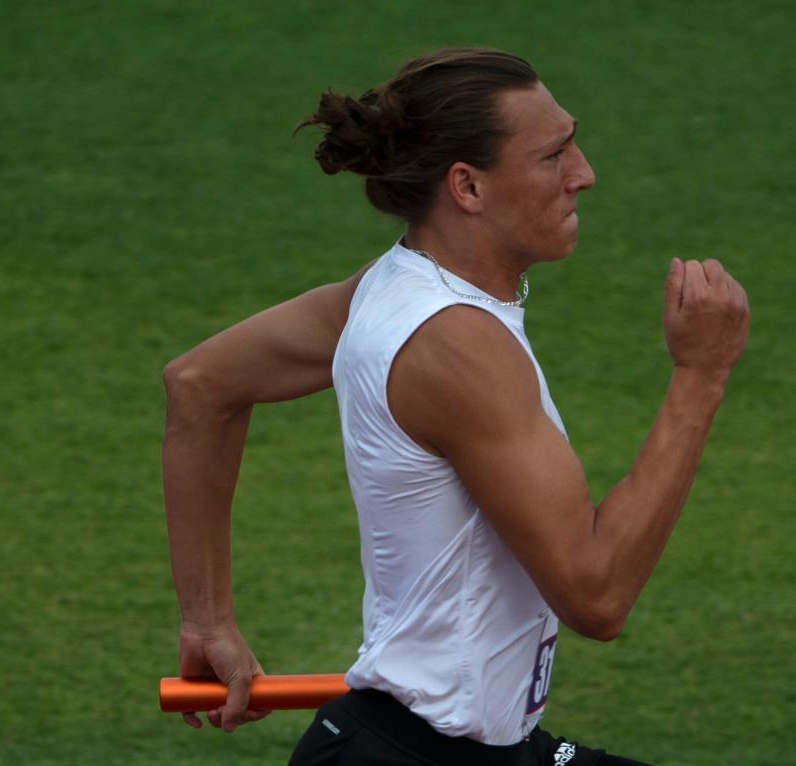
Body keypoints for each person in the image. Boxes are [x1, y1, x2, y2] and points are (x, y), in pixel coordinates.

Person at [161, 48, 750, 765]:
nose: (583, 174)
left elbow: (201, 384)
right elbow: (597, 595)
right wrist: (700, 373)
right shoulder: (456, 347)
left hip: (438, 745)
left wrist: (207, 622)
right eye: (554, 155)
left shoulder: (389, 289)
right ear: (467, 186)